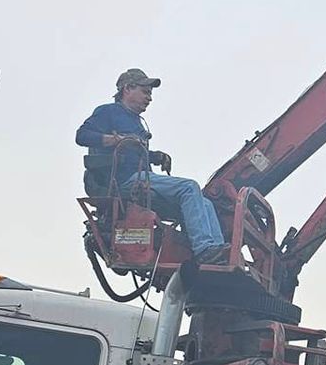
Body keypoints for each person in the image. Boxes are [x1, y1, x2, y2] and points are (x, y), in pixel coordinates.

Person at [77, 68, 227, 264]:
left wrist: (155, 156)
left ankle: (217, 253)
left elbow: (135, 151)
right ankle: (204, 248)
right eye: (145, 92)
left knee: (204, 202)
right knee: (189, 187)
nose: (149, 98)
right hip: (123, 181)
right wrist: (113, 140)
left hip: (141, 178)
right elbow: (82, 136)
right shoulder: (108, 112)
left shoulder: (137, 122)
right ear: (127, 89)